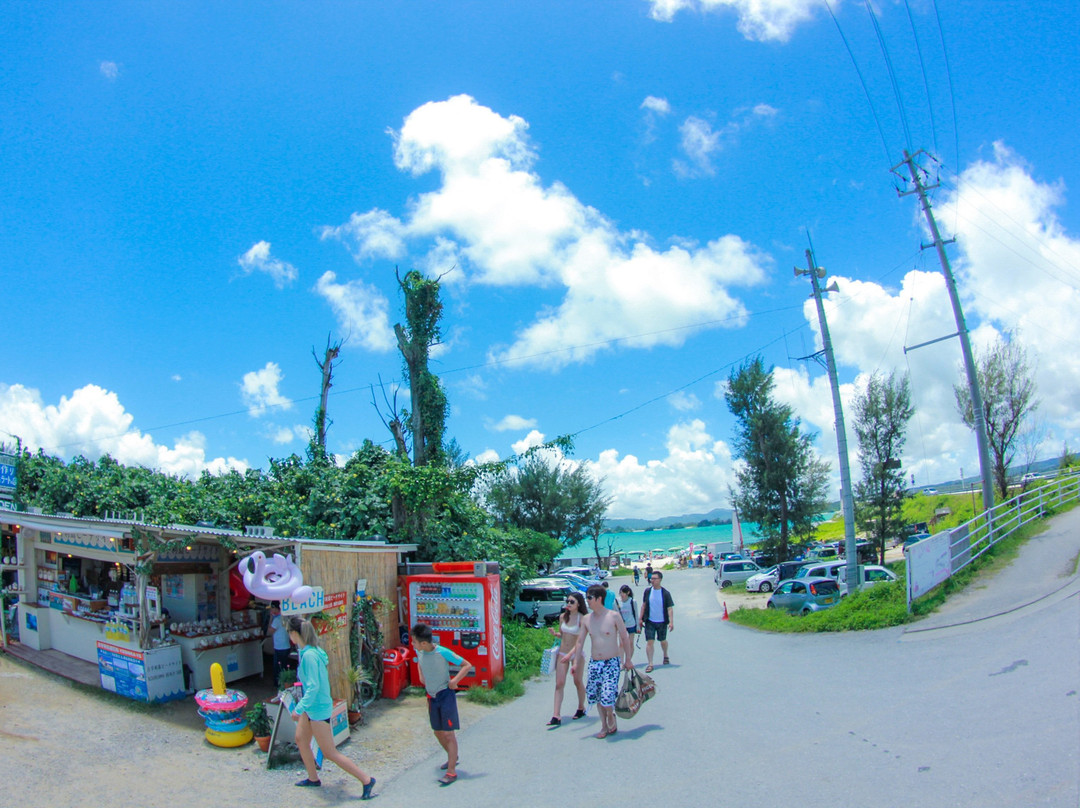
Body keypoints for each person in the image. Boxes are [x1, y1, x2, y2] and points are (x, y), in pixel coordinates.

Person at [287, 616, 376, 799]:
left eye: (289, 632)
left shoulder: (310, 656)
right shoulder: (311, 651)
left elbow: (313, 686)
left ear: (295, 633)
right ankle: (313, 778)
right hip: (312, 707)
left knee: (329, 752)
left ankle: (366, 779)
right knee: (301, 739)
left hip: (317, 708)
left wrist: (299, 708)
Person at [561, 584, 633, 739]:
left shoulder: (613, 616)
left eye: (589, 598)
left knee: (607, 697)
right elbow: (580, 642)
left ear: (599, 599)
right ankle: (604, 725)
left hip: (612, 662)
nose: (587, 601)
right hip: (595, 663)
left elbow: (625, 638)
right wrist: (574, 663)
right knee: (597, 696)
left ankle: (611, 716)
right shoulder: (587, 619)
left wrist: (628, 660)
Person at [412, 622, 474, 786]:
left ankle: (451, 772)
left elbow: (467, 665)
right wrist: (421, 675)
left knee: (448, 734)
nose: (413, 644)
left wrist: (454, 681)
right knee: (437, 732)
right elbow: (420, 661)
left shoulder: (442, 652)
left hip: (445, 695)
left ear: (424, 643)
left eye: (415, 642)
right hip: (431, 697)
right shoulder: (420, 652)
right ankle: (452, 756)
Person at [547, 591, 588, 726]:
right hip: (562, 652)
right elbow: (563, 634)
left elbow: (580, 641)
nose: (569, 604)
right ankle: (556, 715)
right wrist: (555, 634)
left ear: (578, 604)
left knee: (577, 681)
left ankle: (581, 707)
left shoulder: (582, 619)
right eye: (568, 601)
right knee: (559, 683)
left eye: (572, 602)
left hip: (576, 653)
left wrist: (571, 655)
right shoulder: (563, 617)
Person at [639, 571, 675, 673]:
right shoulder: (647, 591)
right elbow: (644, 605)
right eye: (651, 578)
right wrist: (640, 619)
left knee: (662, 640)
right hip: (650, 621)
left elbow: (670, 608)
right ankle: (650, 664)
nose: (652, 580)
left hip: (662, 622)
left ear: (660, 580)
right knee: (650, 642)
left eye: (655, 579)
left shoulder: (665, 593)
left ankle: (665, 655)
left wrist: (671, 622)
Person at [267, 601, 292, 692]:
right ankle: (284, 683)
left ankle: (279, 685)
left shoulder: (277, 620)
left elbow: (270, 630)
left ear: (276, 608)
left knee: (278, 667)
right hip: (285, 645)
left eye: (272, 608)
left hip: (280, 647)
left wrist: (270, 618)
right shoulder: (284, 617)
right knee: (284, 665)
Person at [617, 585, 639, 649]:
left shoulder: (632, 601)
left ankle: (629, 658)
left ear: (628, 593)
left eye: (623, 593)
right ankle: (621, 658)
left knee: (630, 643)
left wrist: (638, 626)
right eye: (620, 593)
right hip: (621, 625)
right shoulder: (617, 601)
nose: (621, 594)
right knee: (621, 644)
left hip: (631, 624)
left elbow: (636, 614)